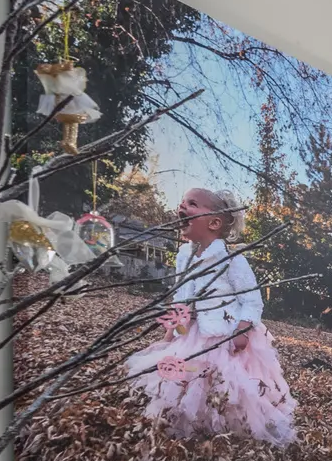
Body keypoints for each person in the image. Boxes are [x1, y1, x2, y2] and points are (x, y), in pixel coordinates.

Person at [125, 188, 297, 445]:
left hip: (224, 336)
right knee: (189, 378)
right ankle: (192, 424)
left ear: (214, 223)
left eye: (192, 204)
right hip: (193, 334)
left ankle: (227, 427)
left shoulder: (231, 259)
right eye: (182, 201)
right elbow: (181, 296)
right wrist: (172, 330)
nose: (182, 207)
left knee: (225, 384)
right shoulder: (184, 256)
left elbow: (252, 300)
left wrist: (241, 331)